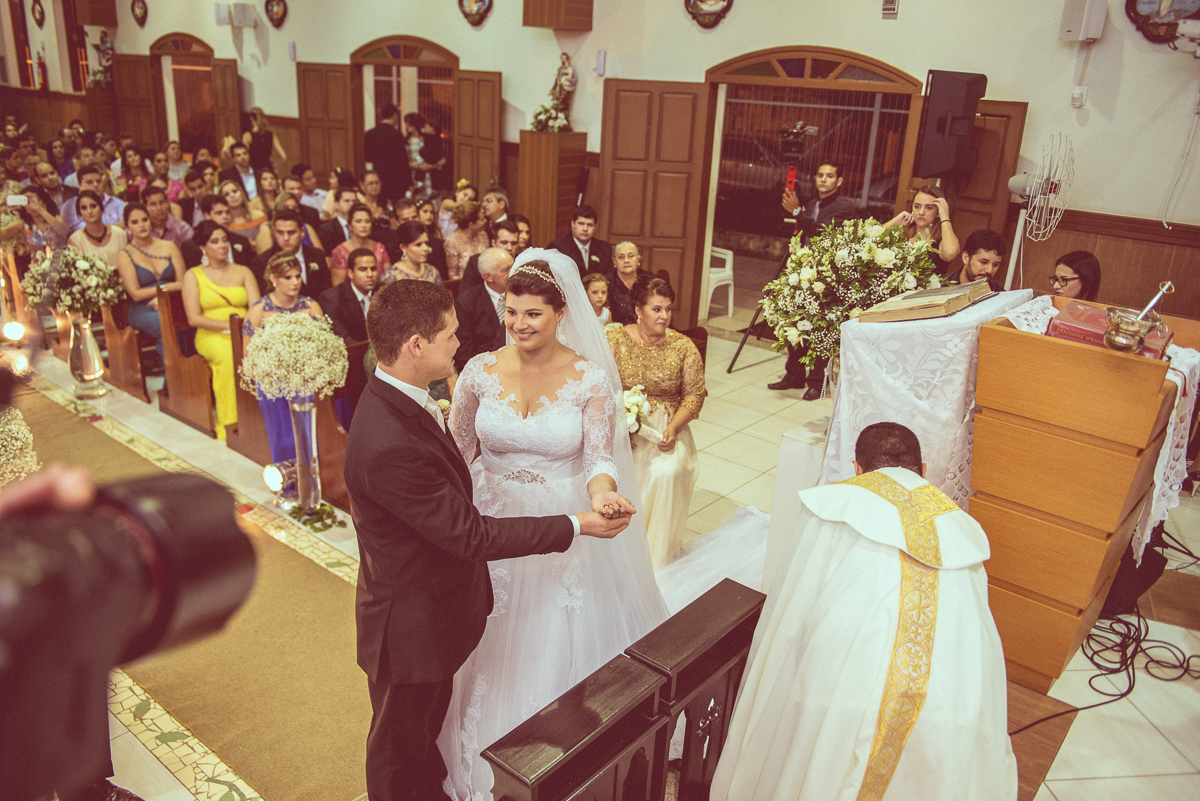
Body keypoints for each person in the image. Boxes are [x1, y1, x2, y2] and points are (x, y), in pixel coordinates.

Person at [344, 278, 631, 801]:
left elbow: (453, 465)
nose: (460, 342)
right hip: (410, 618)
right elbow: (468, 533)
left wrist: (595, 493)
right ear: (416, 346)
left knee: (419, 739)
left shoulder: (401, 402)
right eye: (450, 335)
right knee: (396, 753)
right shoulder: (391, 439)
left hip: (435, 595)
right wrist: (578, 524)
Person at [438, 249, 668, 800]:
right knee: (484, 627)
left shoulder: (588, 379)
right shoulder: (478, 371)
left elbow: (597, 459)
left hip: (564, 521)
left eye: (532, 314)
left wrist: (605, 495)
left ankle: (554, 761)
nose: (519, 324)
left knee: (548, 633)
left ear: (560, 312)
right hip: (488, 523)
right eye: (511, 312)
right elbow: (456, 451)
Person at [710, 422, 1017, 801]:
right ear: (923, 470)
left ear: (857, 468)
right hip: (949, 702)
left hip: (848, 696)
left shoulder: (835, 505)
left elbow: (791, 612)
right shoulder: (959, 528)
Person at [607, 275, 705, 569]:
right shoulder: (613, 339)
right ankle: (617, 551)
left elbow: (695, 395)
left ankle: (652, 558)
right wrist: (620, 423)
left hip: (666, 430)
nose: (664, 316)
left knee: (667, 473)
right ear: (638, 309)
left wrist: (673, 429)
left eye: (668, 309)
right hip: (620, 427)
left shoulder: (683, 346)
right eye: (657, 309)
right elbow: (598, 385)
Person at [769, 160, 860, 395]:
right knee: (795, 322)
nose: (823, 179)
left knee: (820, 329)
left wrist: (798, 212)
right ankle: (794, 375)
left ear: (839, 181)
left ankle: (816, 382)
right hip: (805, 271)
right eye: (820, 175)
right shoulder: (813, 203)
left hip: (827, 275)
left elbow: (823, 234)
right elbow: (805, 233)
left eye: (829, 176)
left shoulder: (843, 207)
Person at [181, 220, 261, 440]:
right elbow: (193, 318)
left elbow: (256, 308)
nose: (222, 245)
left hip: (246, 331)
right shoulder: (193, 275)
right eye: (214, 241)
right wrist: (230, 326)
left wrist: (245, 328)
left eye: (225, 240)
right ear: (202, 247)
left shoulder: (243, 271)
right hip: (211, 335)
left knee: (262, 353)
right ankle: (229, 423)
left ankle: (260, 418)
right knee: (229, 356)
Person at [242, 252, 323, 464]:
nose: (295, 282)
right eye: (288, 277)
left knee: (309, 421)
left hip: (306, 374)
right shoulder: (259, 309)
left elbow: (324, 344)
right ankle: (286, 480)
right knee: (282, 429)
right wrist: (275, 368)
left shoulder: (310, 306)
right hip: (272, 378)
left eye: (298, 276)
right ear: (273, 279)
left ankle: (311, 472)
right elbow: (248, 354)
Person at [116, 202, 185, 359]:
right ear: (127, 227)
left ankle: (187, 373)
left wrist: (162, 296)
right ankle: (175, 376)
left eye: (144, 219)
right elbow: (135, 294)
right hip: (143, 308)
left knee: (187, 319)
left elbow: (183, 282)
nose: (141, 225)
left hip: (173, 301)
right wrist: (164, 291)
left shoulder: (169, 246)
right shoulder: (125, 254)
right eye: (135, 222)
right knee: (166, 323)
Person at [453, 247, 513, 372]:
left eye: (513, 266)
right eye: (505, 270)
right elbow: (464, 352)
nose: (513, 272)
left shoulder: (522, 294)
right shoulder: (466, 303)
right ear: (488, 277)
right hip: (484, 369)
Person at [252, 206, 331, 298]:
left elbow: (326, 290)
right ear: (274, 232)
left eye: (291, 232)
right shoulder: (262, 262)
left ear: (302, 232)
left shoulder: (316, 255)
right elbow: (267, 295)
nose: (286, 238)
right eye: (280, 233)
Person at [884, 183, 961, 272]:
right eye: (917, 206)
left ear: (938, 211)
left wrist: (944, 217)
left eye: (929, 208)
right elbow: (869, 239)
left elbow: (951, 253)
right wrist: (895, 221)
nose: (921, 212)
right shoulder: (902, 234)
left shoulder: (942, 241)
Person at [180, 194, 255, 268]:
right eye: (219, 213)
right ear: (207, 216)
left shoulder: (242, 242)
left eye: (227, 212)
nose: (225, 217)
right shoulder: (191, 247)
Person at [319, 246, 376, 344]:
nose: (370, 274)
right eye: (363, 269)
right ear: (350, 273)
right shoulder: (332, 298)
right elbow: (342, 339)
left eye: (373, 269)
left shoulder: (386, 292)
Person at [331, 203, 391, 286]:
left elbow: (388, 282)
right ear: (350, 225)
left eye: (367, 221)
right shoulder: (339, 252)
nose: (363, 226)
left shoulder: (380, 248)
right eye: (358, 221)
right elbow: (337, 287)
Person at [548, 204, 613, 279]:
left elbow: (609, 277)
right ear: (573, 224)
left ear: (595, 227)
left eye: (590, 225)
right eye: (581, 224)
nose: (585, 228)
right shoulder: (558, 247)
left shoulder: (604, 248)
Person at [66, 190, 128, 267]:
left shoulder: (120, 234)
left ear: (101, 208)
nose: (89, 211)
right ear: (80, 213)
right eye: (84, 208)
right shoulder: (75, 240)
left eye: (93, 206)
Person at [459, 218, 520, 294]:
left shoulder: (523, 263)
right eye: (504, 243)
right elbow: (466, 296)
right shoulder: (476, 263)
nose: (509, 248)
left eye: (514, 243)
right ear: (493, 243)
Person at [363, 102, 409, 202]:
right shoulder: (396, 134)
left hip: (378, 176)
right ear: (394, 115)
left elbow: (368, 157)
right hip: (395, 179)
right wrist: (409, 183)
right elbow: (402, 161)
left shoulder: (370, 133)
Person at [254, 192, 323, 256]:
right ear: (276, 209)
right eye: (285, 207)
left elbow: (321, 255)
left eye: (294, 208)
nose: (290, 210)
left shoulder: (307, 227)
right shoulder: (267, 229)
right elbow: (264, 260)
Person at [62, 165, 124, 232]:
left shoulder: (118, 203)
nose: (95, 185)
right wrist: (117, 226)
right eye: (89, 182)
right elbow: (87, 232)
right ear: (80, 185)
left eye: (98, 181)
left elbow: (126, 227)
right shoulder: (70, 206)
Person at [378, 220, 440, 287]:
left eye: (426, 243)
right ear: (403, 247)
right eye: (418, 245)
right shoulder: (390, 277)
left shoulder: (432, 271)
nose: (425, 248)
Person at [606, 241, 652, 325]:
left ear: (638, 259)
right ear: (614, 262)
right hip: (617, 332)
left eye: (631, 256)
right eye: (621, 257)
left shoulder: (650, 280)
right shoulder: (606, 282)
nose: (626, 260)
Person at [442, 200, 488, 281]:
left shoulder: (483, 235)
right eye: (482, 220)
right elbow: (452, 275)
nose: (485, 221)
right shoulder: (452, 241)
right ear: (471, 224)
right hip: (464, 287)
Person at [217, 179, 268, 243]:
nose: (232, 195)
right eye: (226, 194)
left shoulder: (260, 216)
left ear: (241, 192)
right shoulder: (223, 223)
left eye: (235, 191)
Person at [19, 187, 69, 251]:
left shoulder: (57, 218)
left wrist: (39, 209)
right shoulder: (22, 225)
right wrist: (2, 209)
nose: (32, 205)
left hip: (60, 259)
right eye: (28, 202)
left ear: (44, 203)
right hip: (37, 260)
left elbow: (65, 232)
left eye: (37, 200)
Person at [242, 107, 287, 172]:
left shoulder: (247, 136)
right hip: (267, 168)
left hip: (254, 169)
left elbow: (245, 156)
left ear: (251, 118)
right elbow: (284, 156)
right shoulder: (271, 135)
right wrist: (277, 165)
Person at [317, 186, 359, 253]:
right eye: (347, 201)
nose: (351, 204)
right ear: (336, 205)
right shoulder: (326, 230)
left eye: (354, 201)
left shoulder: (364, 226)